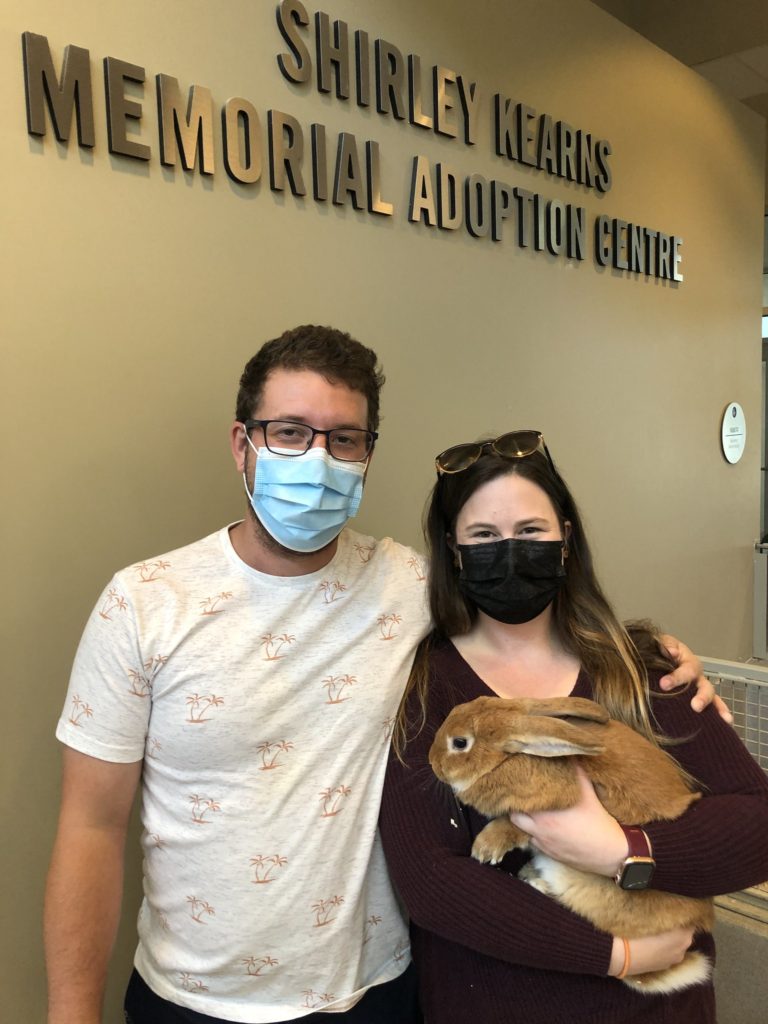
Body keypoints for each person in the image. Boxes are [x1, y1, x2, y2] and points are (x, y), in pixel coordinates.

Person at [45, 332, 718, 1024]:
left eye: (343, 440)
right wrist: (70, 1013)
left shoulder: (414, 589)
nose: (317, 458)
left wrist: (655, 653)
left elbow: (533, 628)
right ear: (242, 445)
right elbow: (92, 826)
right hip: (190, 1000)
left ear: (367, 455)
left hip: (380, 993)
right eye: (289, 432)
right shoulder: (144, 602)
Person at [380, 430, 768, 1024]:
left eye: (531, 531)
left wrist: (624, 850)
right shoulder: (424, 691)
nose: (509, 550)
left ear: (565, 537)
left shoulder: (642, 669)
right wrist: (616, 954)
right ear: (453, 551)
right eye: (483, 536)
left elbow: (756, 822)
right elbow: (433, 883)